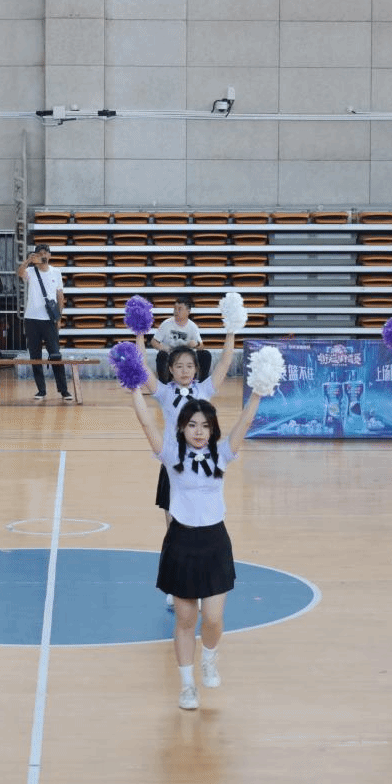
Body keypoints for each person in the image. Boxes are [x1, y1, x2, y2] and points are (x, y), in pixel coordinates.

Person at [130, 385, 264, 710]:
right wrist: (134, 388)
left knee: (213, 619)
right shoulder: (171, 455)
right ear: (182, 428)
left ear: (213, 429)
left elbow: (245, 422)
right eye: (192, 425)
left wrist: (259, 392)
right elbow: (147, 423)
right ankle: (187, 685)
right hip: (181, 543)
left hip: (215, 542)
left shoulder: (223, 453)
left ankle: (209, 658)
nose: (199, 431)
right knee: (186, 620)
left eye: (205, 425)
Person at [134, 327, 236, 608]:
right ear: (170, 369)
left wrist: (231, 329)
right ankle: (177, 587)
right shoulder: (164, 393)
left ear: (196, 369)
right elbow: (142, 368)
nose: (184, 370)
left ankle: (203, 586)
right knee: (175, 528)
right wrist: (140, 333)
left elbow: (225, 364)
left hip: (203, 466)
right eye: (178, 366)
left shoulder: (204, 390)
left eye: (189, 366)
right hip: (174, 467)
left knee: (204, 525)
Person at [19, 245, 71, 401]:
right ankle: (41, 390)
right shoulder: (31, 271)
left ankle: (63, 390)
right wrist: (28, 261)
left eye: (45, 253)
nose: (42, 256)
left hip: (49, 319)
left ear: (49, 255)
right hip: (31, 319)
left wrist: (59, 318)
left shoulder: (56, 272)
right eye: (39, 254)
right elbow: (19, 273)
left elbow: (60, 295)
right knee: (35, 355)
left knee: (55, 354)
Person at [151, 295, 212, 383]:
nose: (176, 311)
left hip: (187, 357)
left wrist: (196, 345)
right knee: (162, 355)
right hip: (171, 356)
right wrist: (162, 348)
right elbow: (154, 341)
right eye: (175, 309)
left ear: (188, 311)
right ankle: (163, 384)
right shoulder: (166, 323)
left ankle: (202, 383)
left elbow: (202, 346)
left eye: (179, 309)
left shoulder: (192, 326)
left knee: (205, 354)